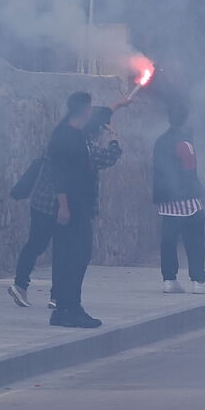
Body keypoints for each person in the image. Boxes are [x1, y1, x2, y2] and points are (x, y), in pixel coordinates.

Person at [11, 102, 124, 308]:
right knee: (64, 251)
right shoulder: (83, 146)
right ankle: (57, 296)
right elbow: (107, 157)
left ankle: (22, 285)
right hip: (60, 205)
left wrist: (119, 105)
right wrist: (115, 140)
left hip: (41, 202)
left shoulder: (61, 134)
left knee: (36, 244)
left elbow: (97, 114)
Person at [44, 92, 128, 327]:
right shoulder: (66, 138)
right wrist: (63, 206)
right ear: (83, 111)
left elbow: (100, 116)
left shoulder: (75, 131)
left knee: (78, 256)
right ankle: (67, 308)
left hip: (79, 204)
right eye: (90, 108)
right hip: (70, 206)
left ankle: (69, 306)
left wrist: (117, 104)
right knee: (72, 257)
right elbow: (59, 174)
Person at [153, 103, 205, 294]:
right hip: (187, 198)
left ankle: (169, 279)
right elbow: (190, 171)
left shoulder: (160, 141)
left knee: (168, 240)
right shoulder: (185, 143)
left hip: (165, 199)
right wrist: (200, 191)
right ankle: (199, 280)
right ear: (186, 120)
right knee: (195, 239)